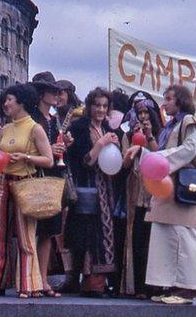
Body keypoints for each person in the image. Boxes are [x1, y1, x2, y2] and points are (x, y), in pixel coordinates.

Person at [127, 85, 196, 305]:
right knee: (165, 235)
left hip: (182, 187)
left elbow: (190, 149)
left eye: (169, 99)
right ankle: (170, 284)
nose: (165, 103)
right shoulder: (171, 126)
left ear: (180, 101)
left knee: (183, 236)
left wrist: (161, 162)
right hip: (169, 187)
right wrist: (145, 154)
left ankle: (187, 288)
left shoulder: (189, 121)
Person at [0, 83, 55, 298]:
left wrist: (26, 158)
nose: (6, 104)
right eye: (5, 100)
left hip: (25, 182)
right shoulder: (5, 128)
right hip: (4, 182)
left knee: (26, 237)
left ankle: (29, 285)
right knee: (0, 236)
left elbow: (49, 160)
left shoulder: (35, 128)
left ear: (22, 102)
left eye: (10, 100)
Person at [66, 87, 119, 298]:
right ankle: (89, 282)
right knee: (87, 236)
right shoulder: (79, 128)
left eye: (105, 106)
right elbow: (83, 162)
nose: (101, 109)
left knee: (103, 235)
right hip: (87, 189)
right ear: (90, 106)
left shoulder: (108, 128)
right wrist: (100, 144)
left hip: (106, 191)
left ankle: (99, 282)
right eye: (97, 105)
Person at [119, 92, 161, 298]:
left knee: (152, 240)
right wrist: (134, 146)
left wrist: (149, 135)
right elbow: (124, 163)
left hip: (154, 194)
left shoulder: (161, 133)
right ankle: (137, 286)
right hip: (135, 192)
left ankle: (153, 285)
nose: (143, 116)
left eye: (146, 112)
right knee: (136, 240)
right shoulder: (127, 135)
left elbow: (159, 156)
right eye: (139, 112)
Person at [30, 71, 66, 293]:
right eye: (52, 91)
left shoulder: (53, 120)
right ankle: (30, 277)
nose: (56, 95)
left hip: (52, 176)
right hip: (36, 177)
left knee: (47, 232)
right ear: (41, 93)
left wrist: (62, 148)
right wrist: (49, 150)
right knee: (31, 230)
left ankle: (42, 279)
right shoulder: (32, 119)